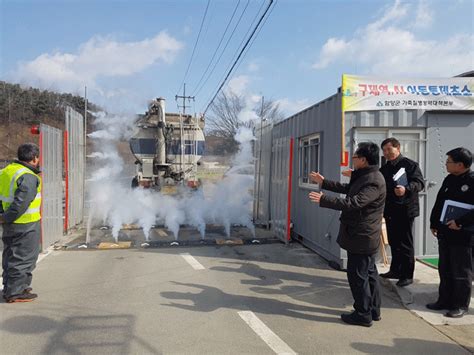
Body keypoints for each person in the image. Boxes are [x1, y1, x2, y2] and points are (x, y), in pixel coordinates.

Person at [309, 142, 386, 327]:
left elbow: (354, 202)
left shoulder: (373, 180)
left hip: (362, 235)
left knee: (358, 275)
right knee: (368, 272)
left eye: (355, 157)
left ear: (363, 160)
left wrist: (324, 199)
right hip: (360, 234)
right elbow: (348, 189)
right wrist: (324, 182)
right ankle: (373, 310)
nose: (352, 159)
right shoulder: (364, 176)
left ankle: (363, 314)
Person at [428, 147, 473, 318]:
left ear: (460, 164)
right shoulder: (449, 179)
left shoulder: (472, 181)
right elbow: (440, 201)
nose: (446, 164)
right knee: (445, 267)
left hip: (463, 234)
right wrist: (434, 222)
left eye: (449, 162)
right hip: (445, 231)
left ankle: (460, 304)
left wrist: (460, 222)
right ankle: (444, 300)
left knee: (461, 270)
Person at [379, 138, 424, 287]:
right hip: (390, 209)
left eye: (389, 149)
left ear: (398, 148)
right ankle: (395, 270)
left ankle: (407, 275)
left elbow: (419, 183)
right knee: (393, 241)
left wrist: (406, 189)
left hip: (405, 210)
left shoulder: (410, 165)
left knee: (405, 243)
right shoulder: (385, 168)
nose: (386, 153)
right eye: (384, 150)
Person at [0, 143, 42, 303]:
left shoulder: (7, 171)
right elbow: (21, 202)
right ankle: (15, 292)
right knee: (24, 258)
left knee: (11, 255)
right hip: (25, 224)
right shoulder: (28, 176)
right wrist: (7, 217)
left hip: (9, 223)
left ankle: (15, 285)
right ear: (34, 158)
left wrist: (2, 216)